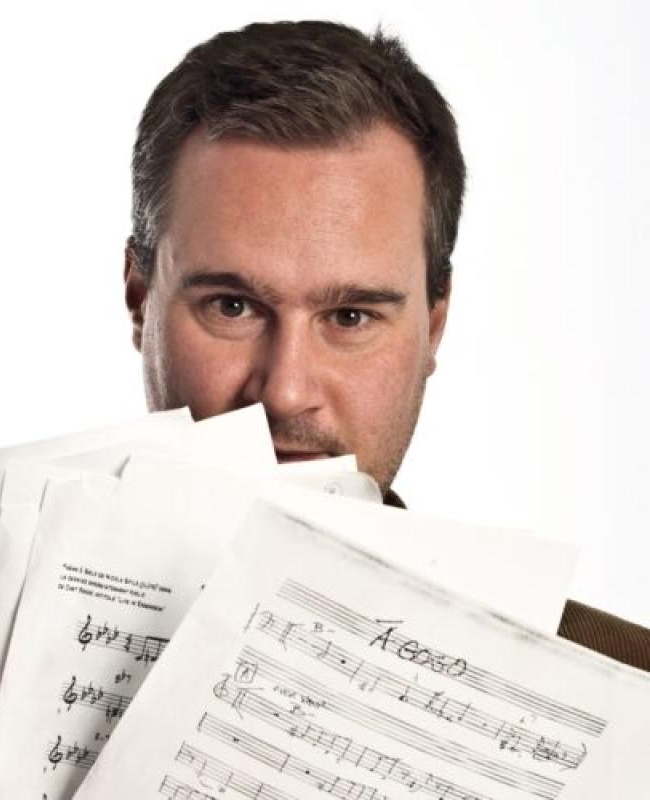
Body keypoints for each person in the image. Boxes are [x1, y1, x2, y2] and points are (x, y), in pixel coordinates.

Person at [122, 20, 649, 670]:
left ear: (435, 323)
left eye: (350, 317)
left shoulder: (630, 688)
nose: (285, 392)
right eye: (232, 307)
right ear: (139, 298)